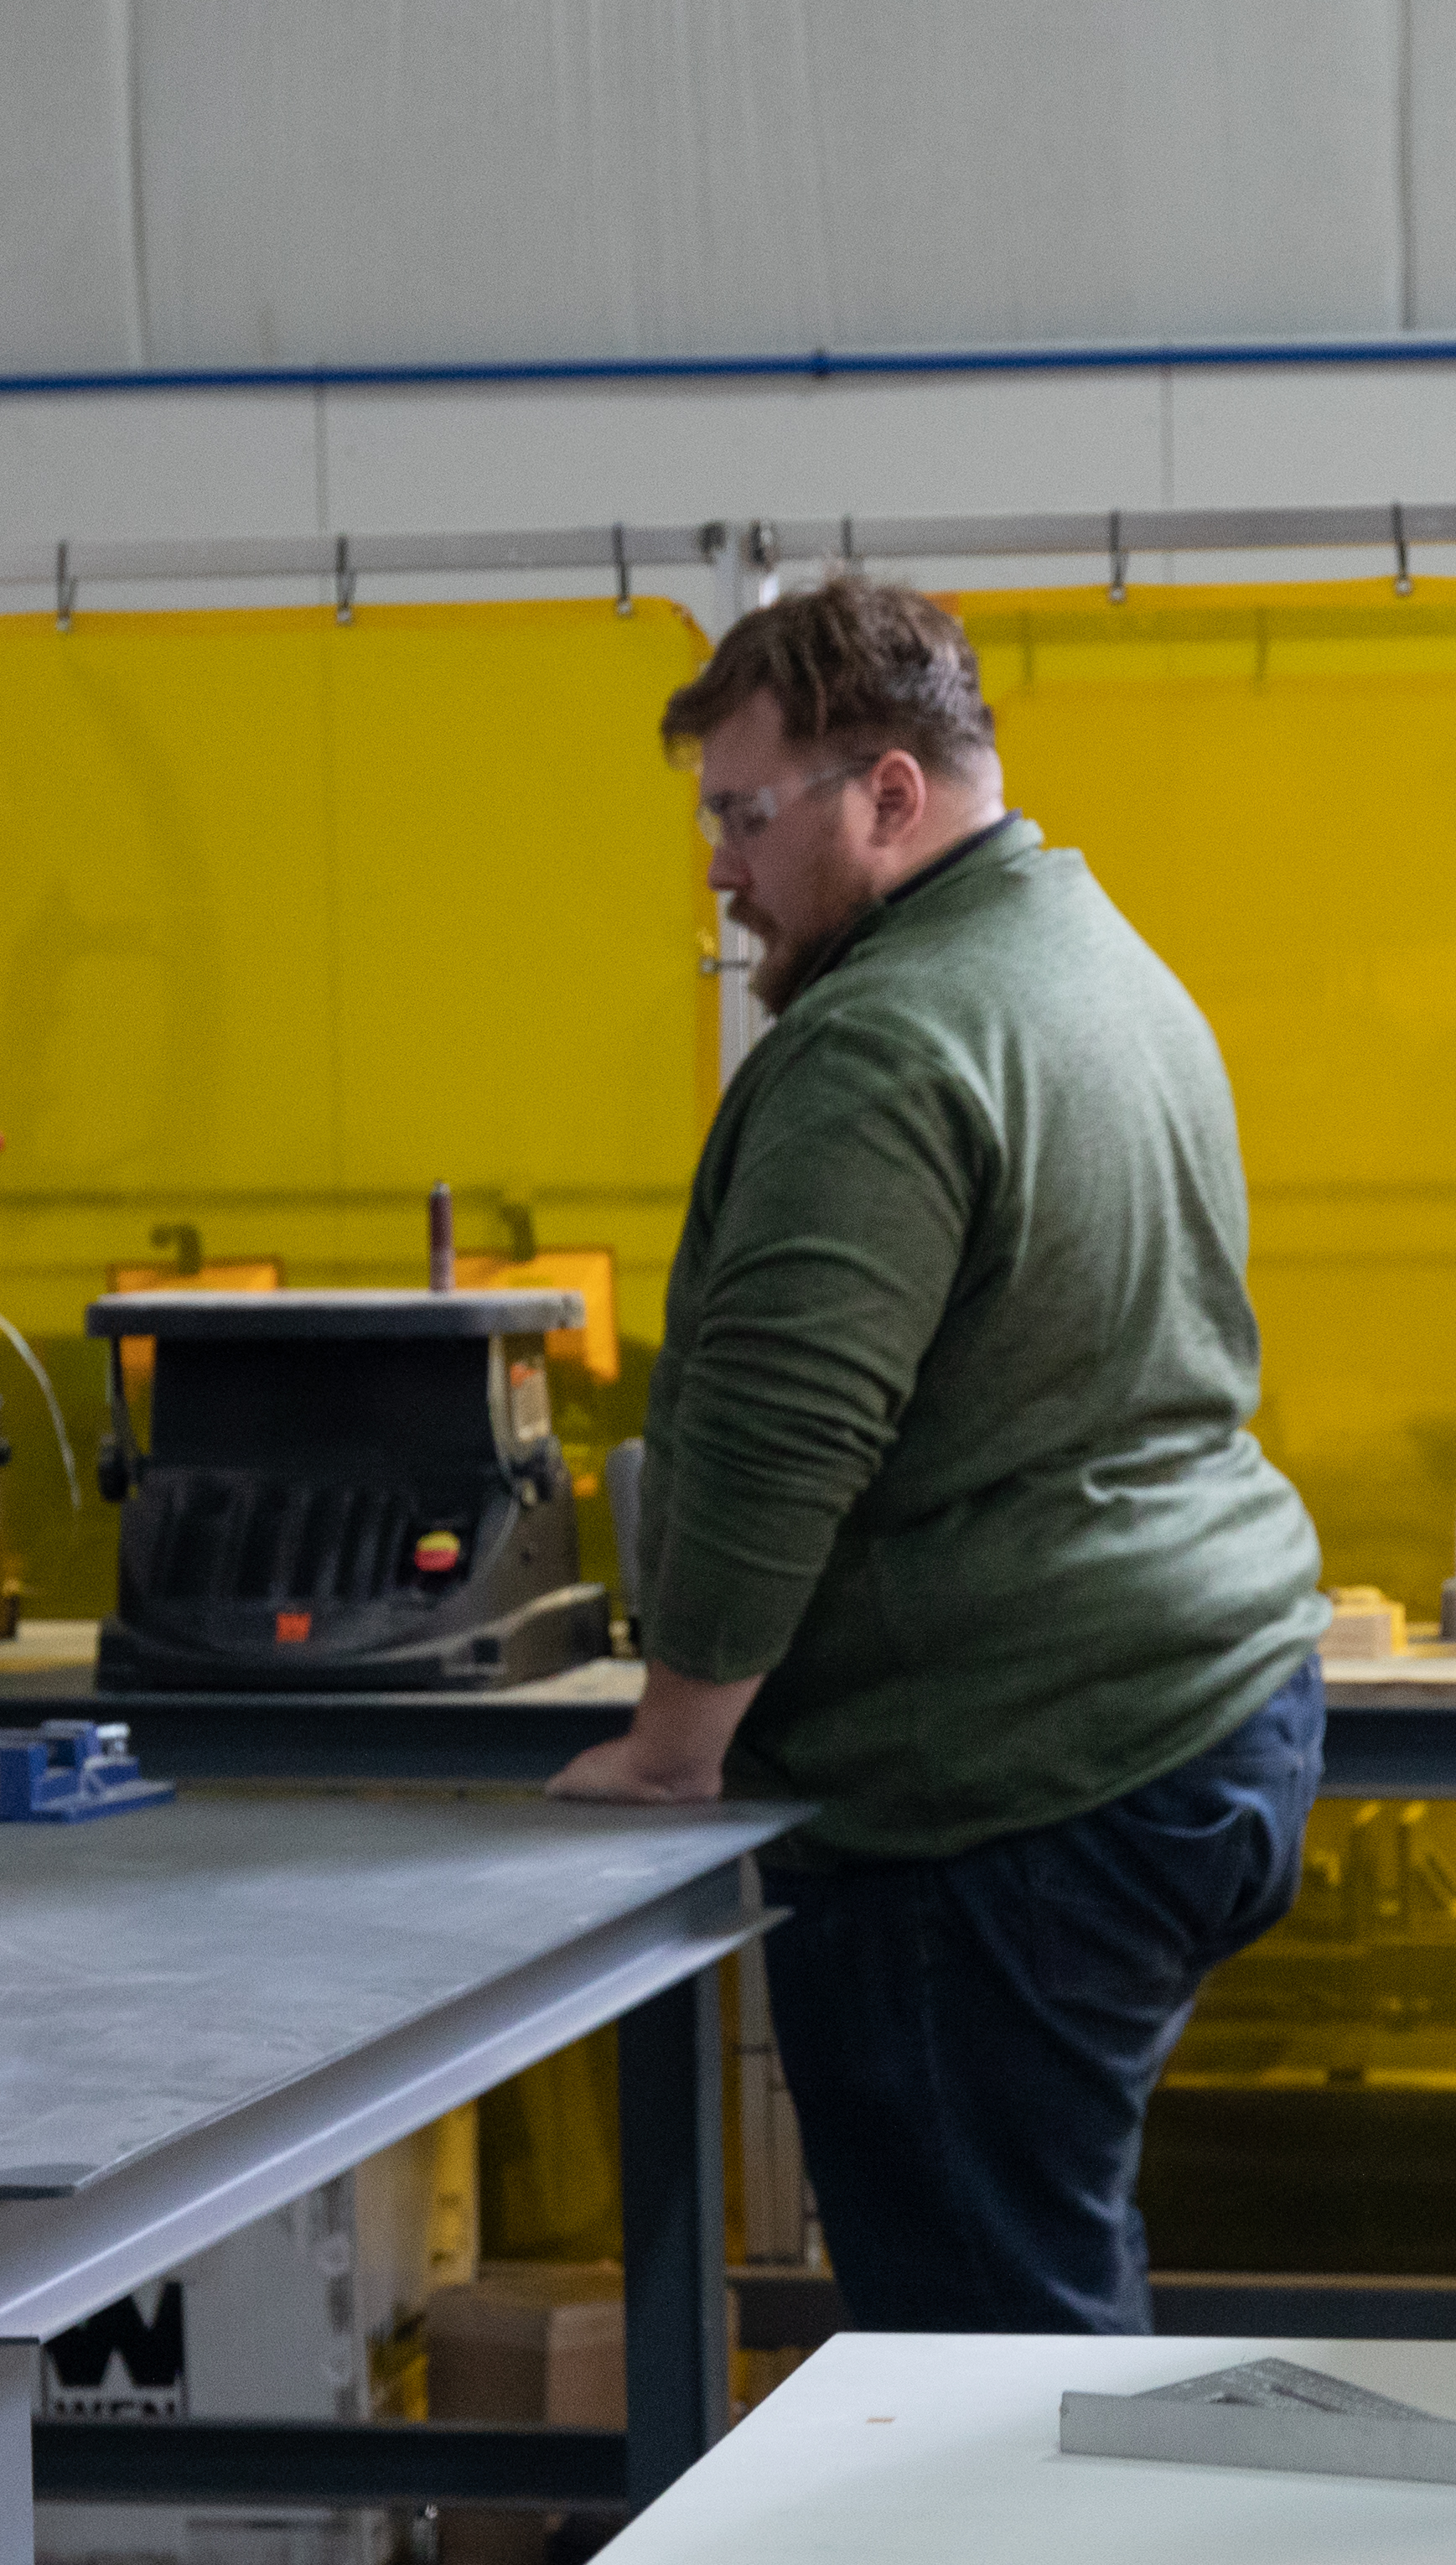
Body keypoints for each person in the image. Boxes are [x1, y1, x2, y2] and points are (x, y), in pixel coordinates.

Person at [552, 577, 1331, 2335]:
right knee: (1044, 2272)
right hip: (1211, 1707)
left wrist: (675, 1751)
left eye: (747, 818)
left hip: (1008, 1789)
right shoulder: (1092, 956)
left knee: (994, 2353)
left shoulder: (883, 1040)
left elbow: (781, 1429)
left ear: (889, 797)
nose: (720, 870)